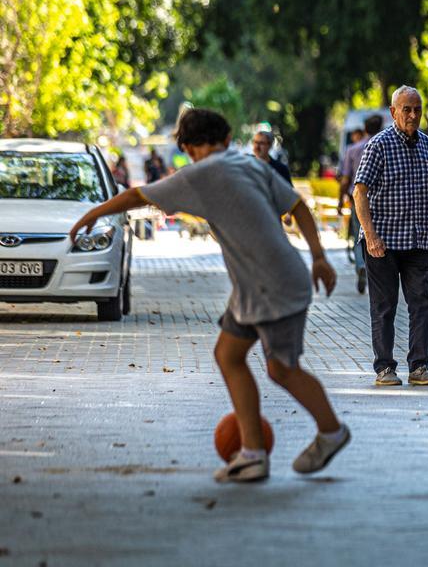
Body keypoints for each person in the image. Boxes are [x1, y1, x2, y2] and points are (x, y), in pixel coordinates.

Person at [69, 108, 349, 483]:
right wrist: (318, 257)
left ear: (186, 147)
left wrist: (94, 214)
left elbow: (139, 194)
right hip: (261, 284)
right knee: (228, 354)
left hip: (272, 285)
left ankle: (331, 431)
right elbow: (297, 205)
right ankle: (252, 454)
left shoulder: (201, 173)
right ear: (228, 139)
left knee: (282, 369)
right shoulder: (249, 164)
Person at [353, 87, 428, 388]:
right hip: (383, 242)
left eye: (417, 109)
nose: (413, 115)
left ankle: (419, 367)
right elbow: (359, 192)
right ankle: (384, 368)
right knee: (384, 306)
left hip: (418, 240)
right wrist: (370, 236)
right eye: (406, 109)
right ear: (393, 112)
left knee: (422, 303)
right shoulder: (379, 145)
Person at [339, 114, 384, 291]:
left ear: (365, 129)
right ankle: (377, 272)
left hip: (357, 201)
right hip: (381, 202)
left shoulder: (353, 149)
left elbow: (345, 180)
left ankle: (361, 265)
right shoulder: (386, 146)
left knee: (360, 235)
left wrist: (339, 201)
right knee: (380, 236)